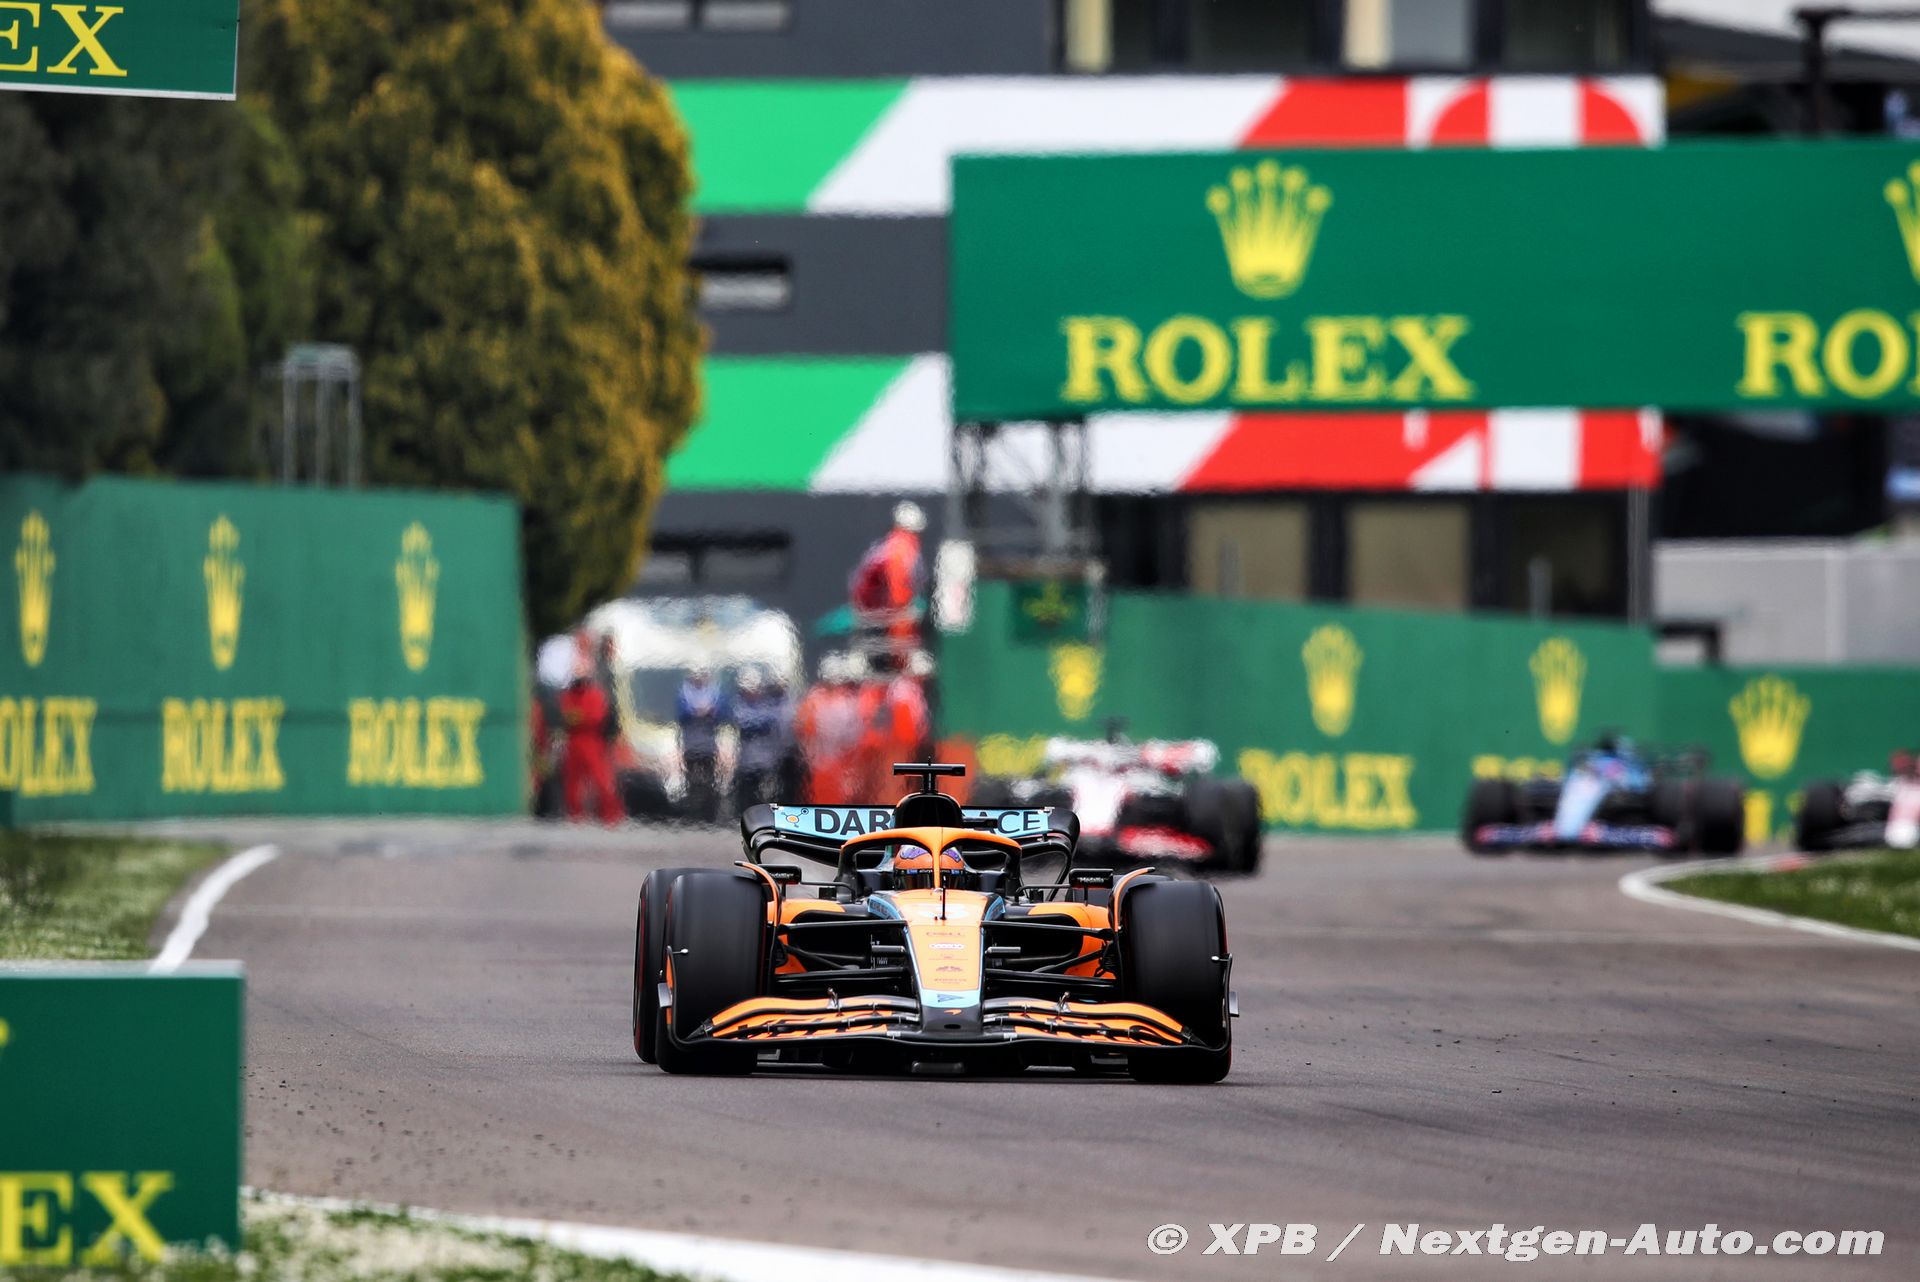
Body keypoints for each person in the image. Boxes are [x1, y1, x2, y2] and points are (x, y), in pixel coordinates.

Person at [849, 502, 926, 653]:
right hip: (878, 617)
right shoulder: (901, 549)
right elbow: (898, 595)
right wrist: (901, 628)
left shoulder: (887, 547)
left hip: (870, 613)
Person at [558, 648, 622, 825]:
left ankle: (610, 815)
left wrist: (577, 717)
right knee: (573, 781)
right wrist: (577, 717)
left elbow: (595, 717)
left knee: (601, 779)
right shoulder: (568, 695)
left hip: (591, 740)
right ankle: (575, 815)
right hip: (574, 741)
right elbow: (566, 715)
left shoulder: (594, 694)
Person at [795, 653, 863, 803]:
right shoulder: (814, 699)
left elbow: (855, 733)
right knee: (821, 797)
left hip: (841, 762)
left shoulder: (847, 701)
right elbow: (803, 730)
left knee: (841, 798)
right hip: (820, 761)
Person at [732, 667, 794, 813]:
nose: (752, 693)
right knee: (748, 794)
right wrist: (759, 723)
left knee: (770, 793)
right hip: (747, 761)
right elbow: (743, 723)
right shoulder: (738, 703)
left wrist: (758, 723)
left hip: (768, 760)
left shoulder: (767, 702)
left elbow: (773, 720)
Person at [676, 666, 732, 822]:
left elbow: (723, 715)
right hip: (691, 746)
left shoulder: (715, 693)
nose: (699, 680)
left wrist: (709, 713)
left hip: (708, 746)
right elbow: (682, 715)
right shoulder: (684, 693)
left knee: (710, 780)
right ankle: (692, 814)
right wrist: (698, 713)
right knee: (691, 781)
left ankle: (710, 814)